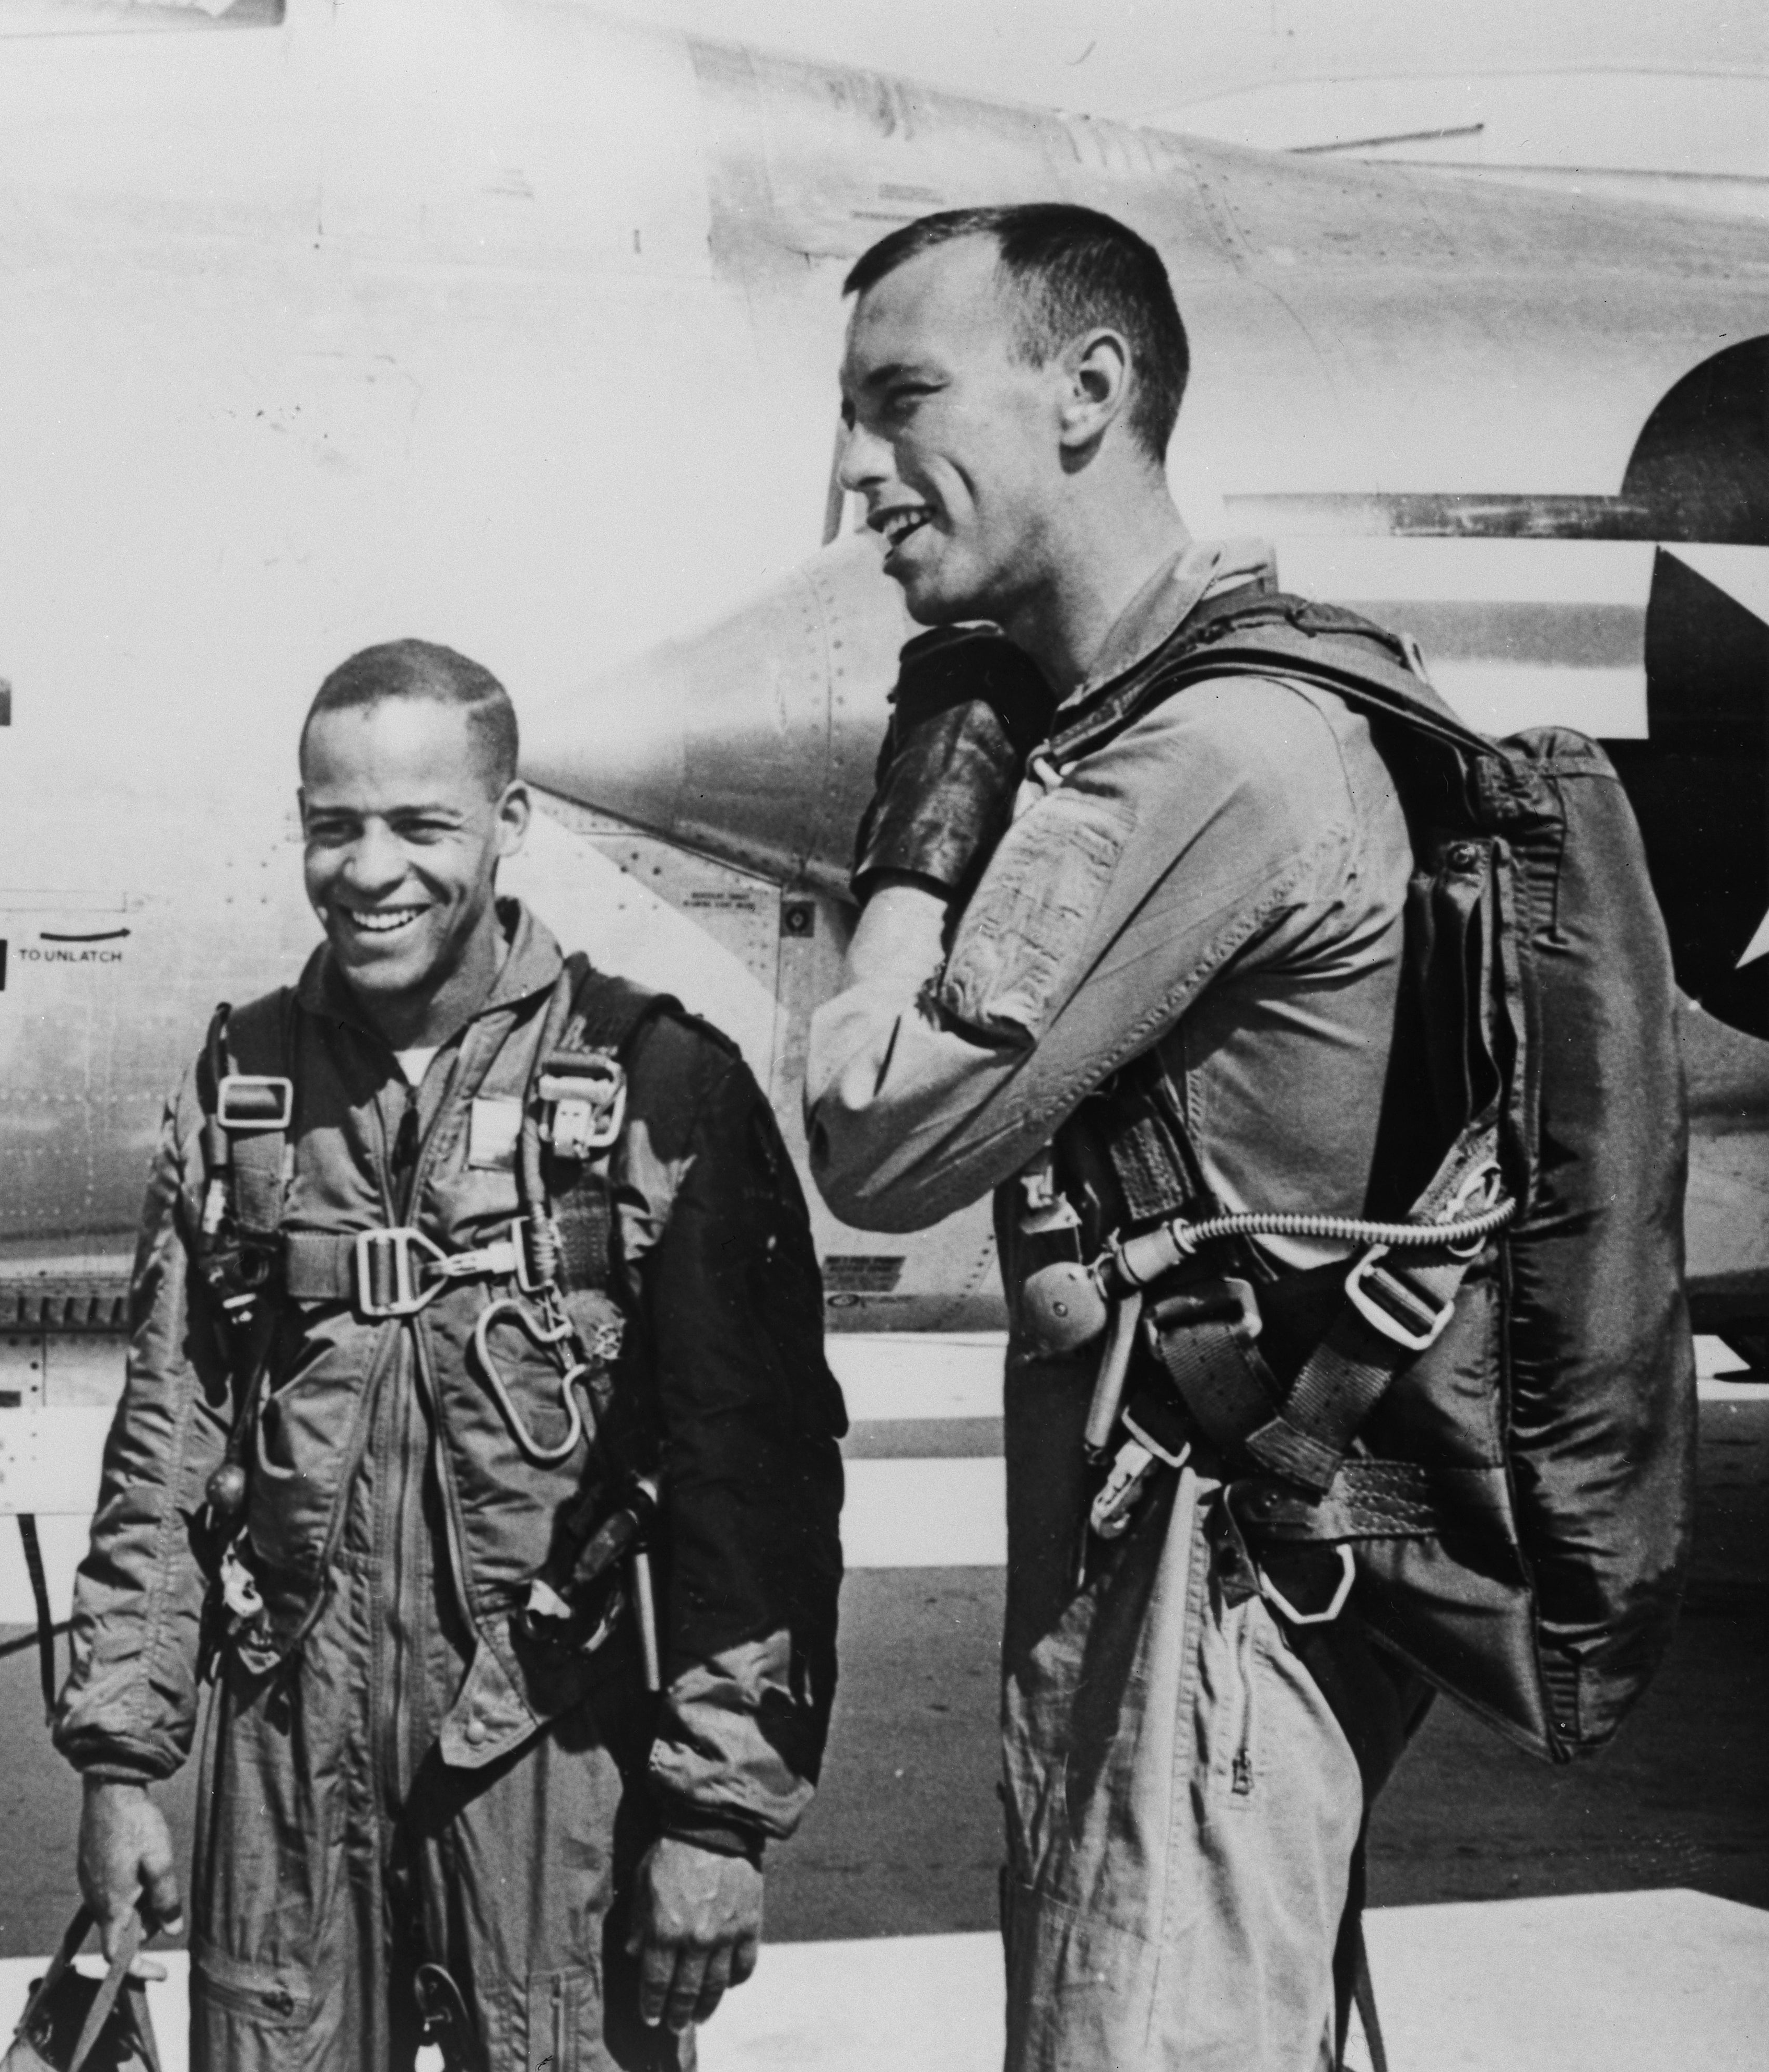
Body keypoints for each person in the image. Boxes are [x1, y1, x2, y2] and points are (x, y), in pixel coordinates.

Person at [806, 204, 1431, 2069]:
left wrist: (926, 827)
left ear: (1090, 390)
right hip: (1189, 1571)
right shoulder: (1184, 713)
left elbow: (877, 1134)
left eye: (903, 398)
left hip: (1207, 1603)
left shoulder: (1201, 754)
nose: (855, 474)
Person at [56, 640, 847, 2070]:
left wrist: (721, 1814)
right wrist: (122, 1762)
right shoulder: (244, 1091)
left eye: (421, 826)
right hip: (287, 1755)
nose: (370, 871)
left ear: (510, 825)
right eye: (332, 826)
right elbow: (167, 1444)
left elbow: (757, 1486)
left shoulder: (661, 1085)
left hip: (545, 1750)